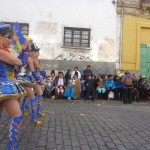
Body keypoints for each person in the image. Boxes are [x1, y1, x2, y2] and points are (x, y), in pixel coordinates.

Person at [0, 22, 29, 149]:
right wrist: (26, 50)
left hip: (5, 86)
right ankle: (12, 147)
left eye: (11, 37)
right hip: (3, 86)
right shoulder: (1, 52)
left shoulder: (5, 51)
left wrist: (24, 49)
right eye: (7, 36)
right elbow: (20, 62)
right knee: (17, 116)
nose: (10, 40)